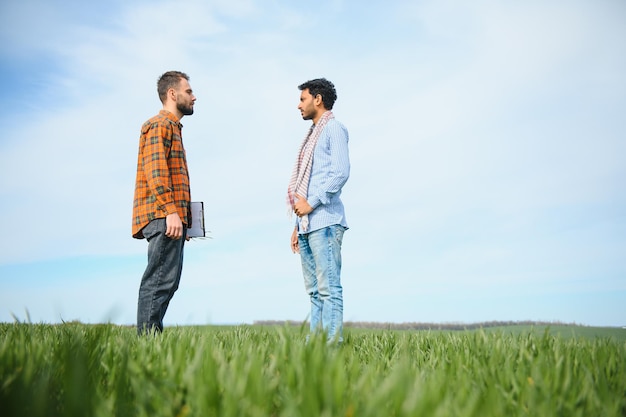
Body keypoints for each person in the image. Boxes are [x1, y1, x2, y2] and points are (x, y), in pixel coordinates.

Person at [132, 71, 196, 335]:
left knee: (168, 281)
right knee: (159, 280)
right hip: (162, 215)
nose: (194, 96)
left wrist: (183, 220)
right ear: (173, 94)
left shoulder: (172, 128)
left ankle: (152, 339)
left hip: (169, 216)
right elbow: (156, 172)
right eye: (189, 91)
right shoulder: (159, 125)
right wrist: (171, 212)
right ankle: (147, 343)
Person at [287, 78, 350, 344]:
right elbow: (307, 180)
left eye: (302, 99)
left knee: (328, 289)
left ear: (318, 99)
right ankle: (315, 345)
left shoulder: (333, 129)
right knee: (314, 291)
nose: (298, 105)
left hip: (325, 221)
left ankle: (332, 347)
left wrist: (311, 204)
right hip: (307, 225)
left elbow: (340, 173)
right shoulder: (311, 135)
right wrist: (297, 223)